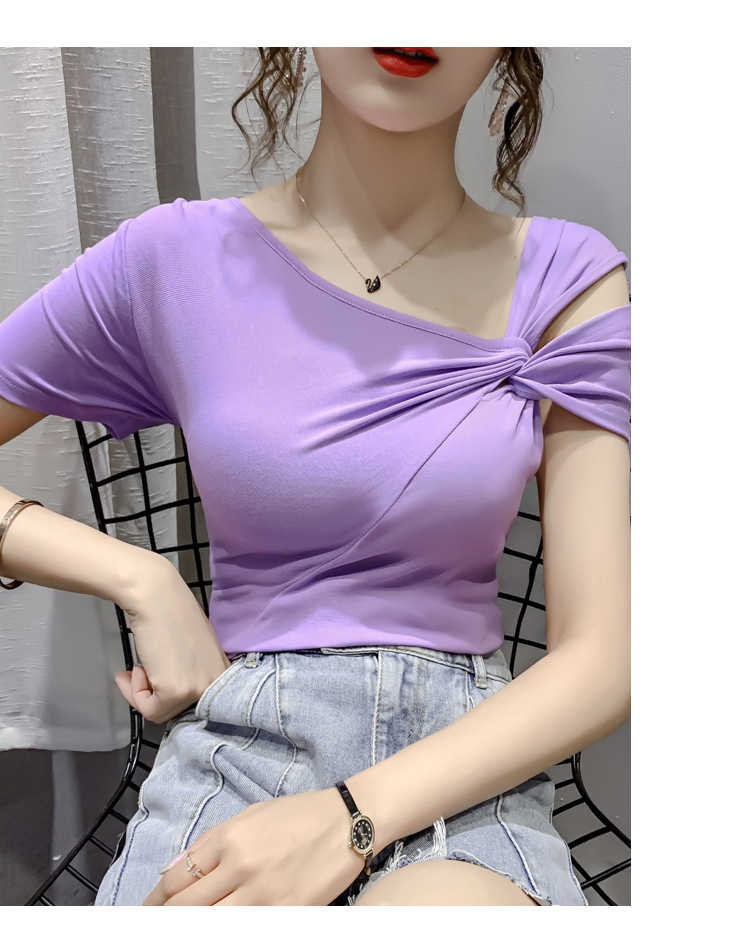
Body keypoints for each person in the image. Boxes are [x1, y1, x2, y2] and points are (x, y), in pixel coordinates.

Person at [0, 47, 630, 906]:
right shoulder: (175, 257)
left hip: (463, 769)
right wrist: (138, 577)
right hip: (239, 752)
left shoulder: (567, 278)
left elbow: (603, 657)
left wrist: (352, 817)